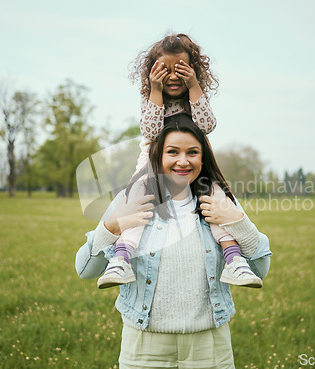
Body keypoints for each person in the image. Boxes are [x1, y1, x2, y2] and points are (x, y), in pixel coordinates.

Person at [75, 114, 272, 368]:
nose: (183, 161)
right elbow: (85, 270)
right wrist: (112, 224)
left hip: (209, 347)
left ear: (203, 158)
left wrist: (238, 221)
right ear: (157, 156)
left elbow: (260, 271)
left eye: (192, 152)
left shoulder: (219, 201)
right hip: (144, 346)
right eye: (172, 152)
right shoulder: (132, 198)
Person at [97, 33, 261, 289]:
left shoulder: (195, 94)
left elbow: (207, 125)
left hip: (193, 164)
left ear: (192, 69)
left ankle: (234, 260)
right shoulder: (152, 95)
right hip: (151, 160)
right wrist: (155, 89)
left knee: (215, 199)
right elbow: (151, 131)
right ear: (152, 71)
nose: (173, 76)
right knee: (136, 203)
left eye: (180, 69)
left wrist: (194, 85)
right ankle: (121, 259)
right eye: (165, 70)